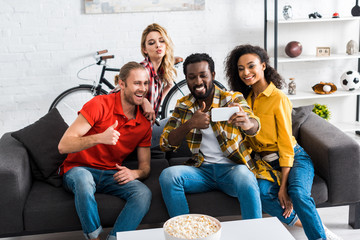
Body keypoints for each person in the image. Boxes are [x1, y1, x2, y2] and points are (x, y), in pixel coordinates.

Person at [224, 44, 342, 240]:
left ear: (263, 66)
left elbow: (286, 145)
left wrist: (283, 187)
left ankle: (319, 237)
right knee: (260, 193)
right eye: (241, 68)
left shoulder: (278, 98)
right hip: (265, 163)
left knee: (297, 193)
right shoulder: (245, 99)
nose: (246, 72)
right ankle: (311, 224)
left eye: (251, 66)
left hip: (294, 157)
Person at [158, 53, 262, 219]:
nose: (198, 82)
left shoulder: (232, 98)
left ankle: (254, 232)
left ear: (212, 75)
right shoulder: (184, 105)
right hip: (201, 172)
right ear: (186, 79)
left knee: (245, 175)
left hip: (232, 170)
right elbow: (165, 144)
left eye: (203, 75)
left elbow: (254, 125)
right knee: (168, 176)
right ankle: (185, 233)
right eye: (192, 77)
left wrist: (247, 123)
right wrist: (190, 124)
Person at [58, 62, 152, 240]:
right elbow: (64, 145)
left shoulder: (144, 123)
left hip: (110, 173)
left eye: (145, 83)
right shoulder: (99, 104)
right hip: (79, 169)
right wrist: (99, 137)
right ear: (122, 84)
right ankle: (95, 238)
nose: (143, 88)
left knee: (143, 193)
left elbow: (145, 166)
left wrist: (136, 173)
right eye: (137, 83)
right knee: (84, 180)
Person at [111, 23, 176, 124]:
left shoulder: (159, 72)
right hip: (128, 128)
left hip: (145, 127)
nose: (158, 45)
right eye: (151, 43)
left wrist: (168, 86)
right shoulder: (143, 70)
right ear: (144, 49)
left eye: (161, 41)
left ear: (166, 45)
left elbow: (153, 105)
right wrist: (143, 101)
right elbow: (115, 94)